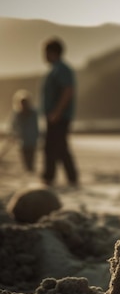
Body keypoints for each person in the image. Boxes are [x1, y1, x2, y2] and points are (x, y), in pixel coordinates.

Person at [40, 37, 79, 187]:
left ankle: (49, 178)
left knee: (51, 146)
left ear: (52, 52)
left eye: (45, 52)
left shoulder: (62, 69)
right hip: (55, 116)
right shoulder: (56, 69)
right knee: (61, 147)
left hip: (59, 116)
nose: (44, 56)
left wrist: (57, 112)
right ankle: (72, 178)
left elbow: (68, 90)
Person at [9, 89, 39, 172]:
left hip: (32, 139)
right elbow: (13, 125)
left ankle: (31, 169)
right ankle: (28, 169)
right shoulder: (17, 114)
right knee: (25, 156)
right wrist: (14, 134)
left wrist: (38, 136)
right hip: (22, 140)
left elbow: (37, 125)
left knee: (32, 156)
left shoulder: (34, 113)